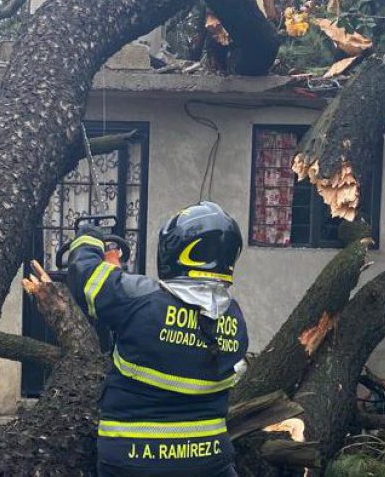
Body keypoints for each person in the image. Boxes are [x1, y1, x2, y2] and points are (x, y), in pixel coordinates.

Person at [65, 201, 249, 477]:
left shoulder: (138, 298)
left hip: (133, 459)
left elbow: (86, 278)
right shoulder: (235, 319)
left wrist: (88, 237)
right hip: (210, 461)